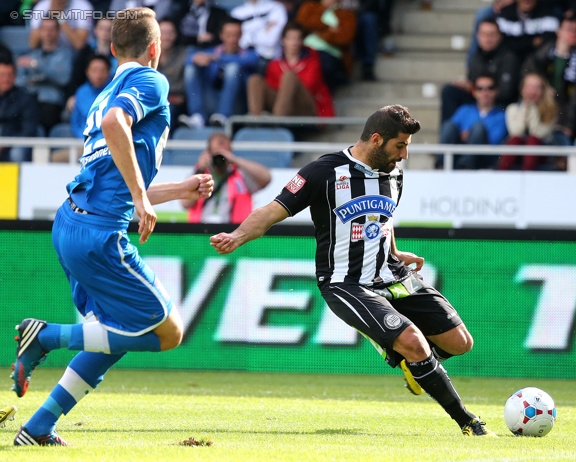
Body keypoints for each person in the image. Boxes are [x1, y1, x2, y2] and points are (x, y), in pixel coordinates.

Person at [210, 104, 497, 438]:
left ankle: (410, 363)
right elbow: (273, 211)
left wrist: (395, 251)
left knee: (460, 342)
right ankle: (468, 422)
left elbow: (382, 220)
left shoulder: (394, 173)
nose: (404, 155)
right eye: (399, 146)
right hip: (346, 283)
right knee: (415, 344)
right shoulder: (323, 172)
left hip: (392, 274)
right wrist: (237, 235)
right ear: (376, 139)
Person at [10, 7, 214, 447]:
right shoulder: (150, 80)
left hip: (71, 224)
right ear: (156, 48)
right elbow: (114, 125)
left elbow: (116, 174)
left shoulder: (103, 91)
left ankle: (39, 426)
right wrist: (142, 200)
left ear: (112, 48)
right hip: (99, 234)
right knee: (167, 332)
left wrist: (178, 189)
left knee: (113, 333)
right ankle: (45, 335)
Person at [179, 17, 260, 128]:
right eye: (228, 35)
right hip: (211, 99)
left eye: (236, 35)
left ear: (241, 35)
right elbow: (188, 60)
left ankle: (224, 115)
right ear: (221, 35)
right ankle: (197, 116)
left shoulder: (248, 54)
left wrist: (216, 58)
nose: (232, 39)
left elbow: (251, 61)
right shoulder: (211, 52)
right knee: (191, 68)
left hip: (237, 105)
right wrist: (195, 58)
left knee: (233, 68)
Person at [521, 17, 576, 145]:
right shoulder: (540, 55)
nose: (573, 33)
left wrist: (568, 125)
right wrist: (544, 87)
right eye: (569, 29)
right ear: (558, 32)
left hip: (562, 119)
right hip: (537, 114)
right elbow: (527, 79)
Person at [246, 21, 335, 117]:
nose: (294, 42)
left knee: (289, 76)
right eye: (291, 38)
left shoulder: (312, 61)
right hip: (281, 103)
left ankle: (278, 120)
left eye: (298, 38)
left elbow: (310, 86)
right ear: (283, 41)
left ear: (302, 41)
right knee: (255, 79)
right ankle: (255, 120)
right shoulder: (274, 64)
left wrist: (288, 83)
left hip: (305, 106)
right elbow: (271, 87)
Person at [440, 19, 519, 123]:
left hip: (498, 104)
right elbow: (472, 82)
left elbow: (506, 93)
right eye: (484, 34)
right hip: (477, 99)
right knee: (449, 91)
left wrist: (477, 89)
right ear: (478, 36)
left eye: (492, 35)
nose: (487, 39)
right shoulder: (475, 57)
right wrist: (467, 86)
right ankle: (448, 133)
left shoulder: (509, 58)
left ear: (499, 36)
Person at [182, 132, 271, 223]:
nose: (221, 158)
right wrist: (200, 169)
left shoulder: (240, 175)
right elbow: (185, 204)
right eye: (217, 153)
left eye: (225, 152)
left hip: (233, 232)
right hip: (200, 232)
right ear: (208, 152)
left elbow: (266, 178)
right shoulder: (198, 174)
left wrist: (235, 159)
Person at [15, 18, 73, 134]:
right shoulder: (31, 54)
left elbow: (63, 78)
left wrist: (36, 65)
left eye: (52, 29)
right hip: (29, 101)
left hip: (51, 104)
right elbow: (17, 81)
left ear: (58, 32)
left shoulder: (65, 54)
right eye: (45, 29)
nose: (48, 33)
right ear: (40, 31)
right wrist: (41, 77)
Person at [439, 74, 507, 170]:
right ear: (474, 91)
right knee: (448, 125)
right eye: (480, 88)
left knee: (478, 129)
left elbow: (494, 141)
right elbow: (450, 132)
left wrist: (470, 135)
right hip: (458, 155)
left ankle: (465, 168)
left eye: (490, 88)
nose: (485, 92)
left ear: (496, 91)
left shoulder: (502, 116)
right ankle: (441, 166)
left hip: (485, 159)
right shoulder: (464, 110)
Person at [497, 72, 558, 171]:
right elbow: (516, 131)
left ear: (543, 91)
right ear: (522, 90)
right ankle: (501, 174)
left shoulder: (550, 110)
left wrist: (533, 109)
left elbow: (538, 133)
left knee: (533, 140)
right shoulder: (512, 108)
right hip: (518, 150)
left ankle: (528, 175)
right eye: (529, 87)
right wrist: (525, 108)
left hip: (541, 151)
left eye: (537, 87)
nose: (532, 91)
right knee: (514, 140)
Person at [296, 0, 358, 92]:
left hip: (330, 53)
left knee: (324, 68)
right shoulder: (310, 6)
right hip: (306, 48)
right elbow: (301, 22)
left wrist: (318, 33)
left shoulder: (346, 13)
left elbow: (344, 37)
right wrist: (327, 27)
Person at [230, 0, 289, 71]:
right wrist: (264, 29)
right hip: (244, 57)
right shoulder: (237, 12)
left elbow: (271, 40)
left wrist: (248, 36)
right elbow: (236, 40)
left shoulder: (276, 7)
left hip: (270, 58)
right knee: (232, 68)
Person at [0, 58, 40, 163]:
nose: (6, 79)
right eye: (2, 75)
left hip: (15, 144)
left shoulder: (25, 98)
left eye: (9, 75)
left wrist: (6, 143)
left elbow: (29, 130)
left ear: (15, 76)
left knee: (17, 153)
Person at [156, 18, 189, 132]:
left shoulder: (184, 55)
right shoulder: (145, 56)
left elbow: (183, 86)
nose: (166, 37)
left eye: (170, 33)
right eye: (163, 33)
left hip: (176, 103)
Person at [28, 0, 94, 51]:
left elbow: (79, 45)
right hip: (53, 52)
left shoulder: (83, 7)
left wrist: (59, 17)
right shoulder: (41, 7)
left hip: (79, 54)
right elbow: (33, 44)